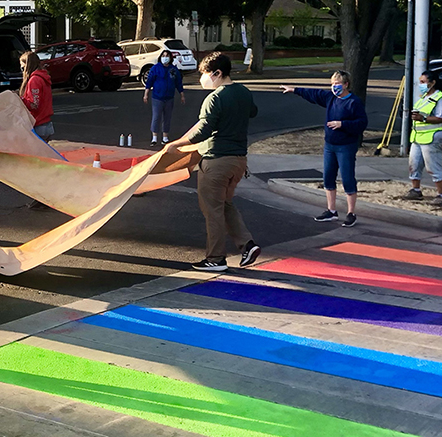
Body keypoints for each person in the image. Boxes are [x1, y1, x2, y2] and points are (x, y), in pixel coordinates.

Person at [163, 52, 260, 272]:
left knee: (212, 209)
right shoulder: (243, 93)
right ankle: (247, 245)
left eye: (205, 74)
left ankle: (215, 258)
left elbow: (203, 130)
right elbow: (252, 113)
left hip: (216, 161)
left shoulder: (215, 98)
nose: (202, 79)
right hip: (238, 162)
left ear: (217, 73)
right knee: (224, 205)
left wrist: (176, 144)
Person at [280, 71, 368, 227]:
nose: (334, 87)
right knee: (328, 177)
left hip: (346, 146)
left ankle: (351, 213)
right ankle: (331, 211)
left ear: (346, 84)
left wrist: (343, 124)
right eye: (333, 84)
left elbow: (362, 123)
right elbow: (314, 94)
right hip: (330, 145)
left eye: (338, 84)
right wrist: (294, 90)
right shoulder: (330, 98)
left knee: (347, 178)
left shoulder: (354, 102)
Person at [406, 71, 442, 207]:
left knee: (433, 167)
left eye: (423, 82)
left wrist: (423, 118)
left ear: (432, 83)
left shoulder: (439, 98)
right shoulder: (424, 97)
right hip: (419, 137)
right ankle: (415, 190)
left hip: (433, 138)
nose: (420, 85)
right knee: (414, 164)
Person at [142, 50, 185, 145]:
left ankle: (165, 137)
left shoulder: (173, 69)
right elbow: (149, 82)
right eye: (163, 56)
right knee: (156, 117)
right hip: (157, 97)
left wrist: (182, 94)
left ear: (170, 58)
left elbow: (178, 82)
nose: (165, 58)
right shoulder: (155, 68)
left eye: (167, 56)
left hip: (169, 97)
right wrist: (146, 94)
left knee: (167, 117)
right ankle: (154, 137)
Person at [19, 51, 54, 142]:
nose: (22, 71)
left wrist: (20, 99)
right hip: (47, 125)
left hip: (38, 125)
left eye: (23, 68)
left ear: (28, 66)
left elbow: (34, 105)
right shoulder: (44, 78)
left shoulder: (34, 80)